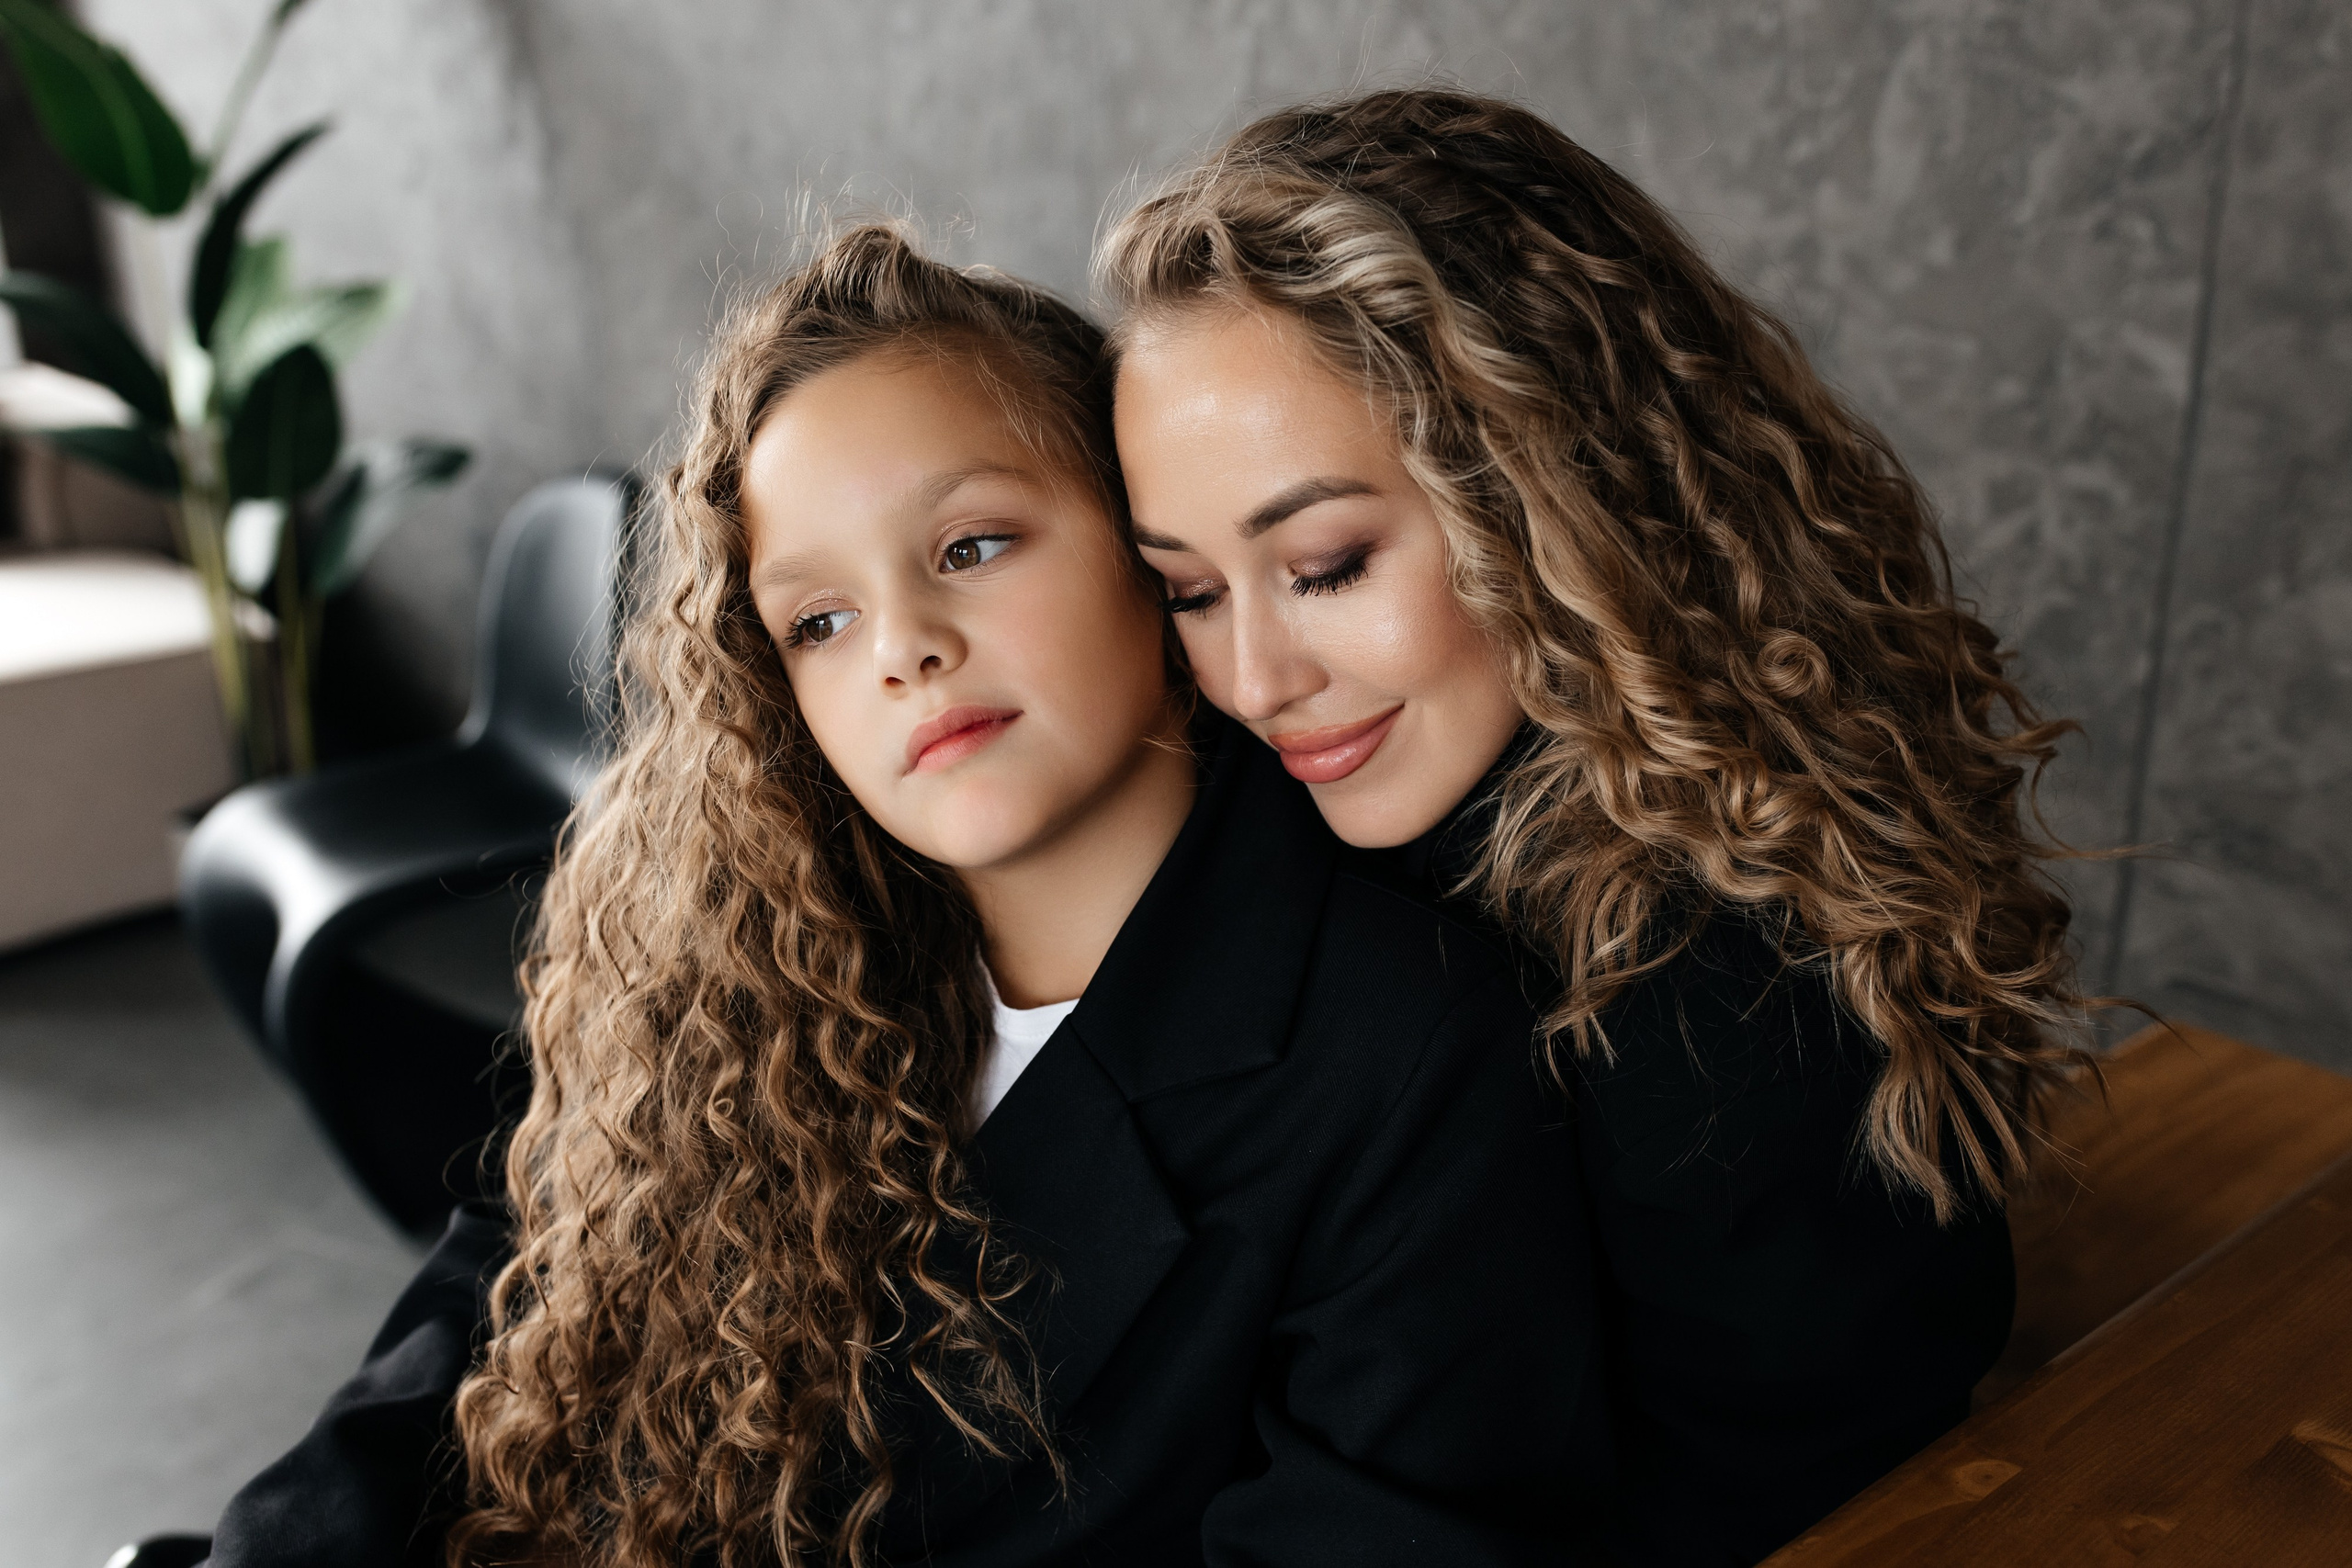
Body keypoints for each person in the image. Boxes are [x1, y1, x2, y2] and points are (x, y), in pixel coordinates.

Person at [201, 224, 1616, 1568]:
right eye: (819, 621)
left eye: (972, 547)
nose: (905, 649)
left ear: (1144, 548)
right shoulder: (746, 975)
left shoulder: (1402, 1050)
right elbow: (496, 1305)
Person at [1103, 87, 2098, 1566]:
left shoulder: (1717, 989)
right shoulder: (1298, 806)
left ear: (1553, 492)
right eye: (1187, 590)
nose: (1255, 681)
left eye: (1324, 564)